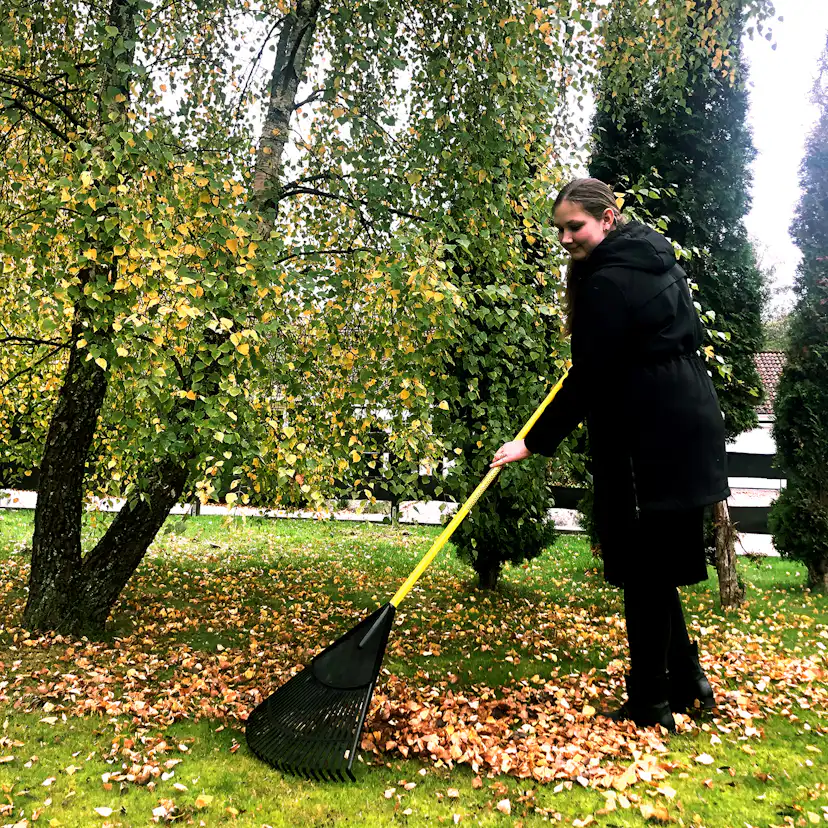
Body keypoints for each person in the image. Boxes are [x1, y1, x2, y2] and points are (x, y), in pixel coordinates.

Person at [491, 177, 728, 731]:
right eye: (561, 229)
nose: (567, 237)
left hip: (650, 432)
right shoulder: (654, 258)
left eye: (576, 226)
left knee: (645, 570)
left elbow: (589, 380)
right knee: (657, 564)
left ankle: (650, 704)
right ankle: (688, 681)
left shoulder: (607, 283)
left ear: (607, 218)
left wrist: (532, 441)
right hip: (684, 418)